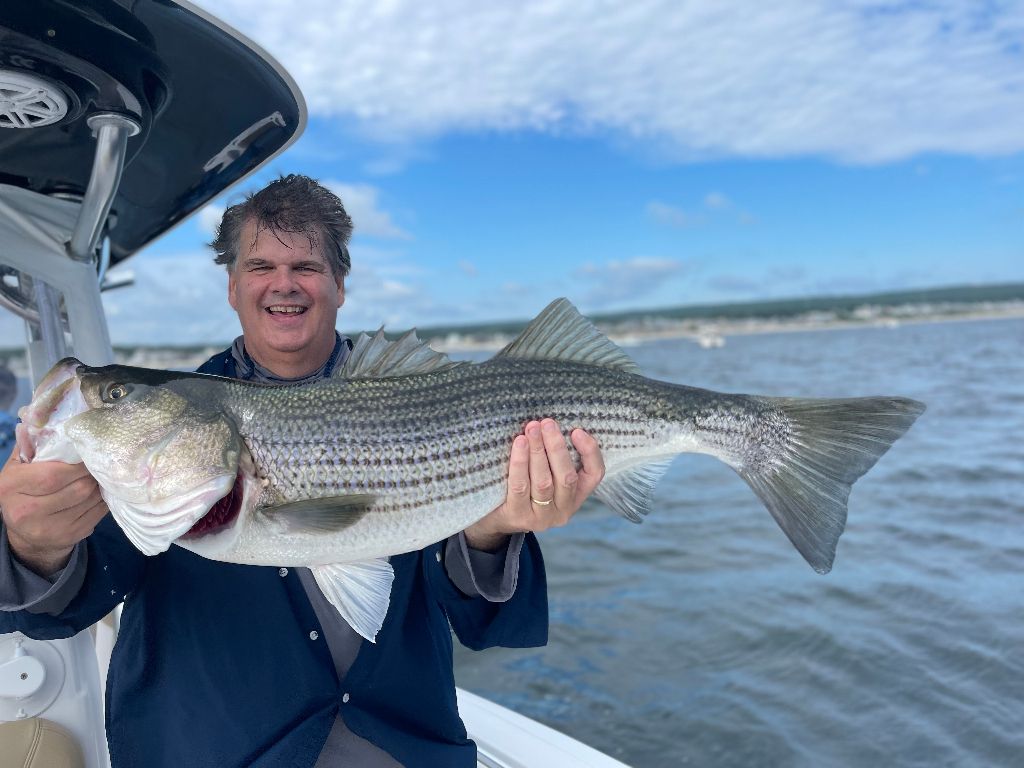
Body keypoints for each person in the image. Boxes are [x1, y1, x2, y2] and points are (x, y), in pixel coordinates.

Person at [0, 175, 606, 767]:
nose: (283, 285)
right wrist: (33, 546)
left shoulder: (424, 398)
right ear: (232, 287)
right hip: (219, 747)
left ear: (340, 285)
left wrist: (492, 533)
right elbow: (66, 604)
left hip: (404, 743)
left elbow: (482, 617)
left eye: (307, 267)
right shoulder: (166, 425)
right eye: (260, 267)